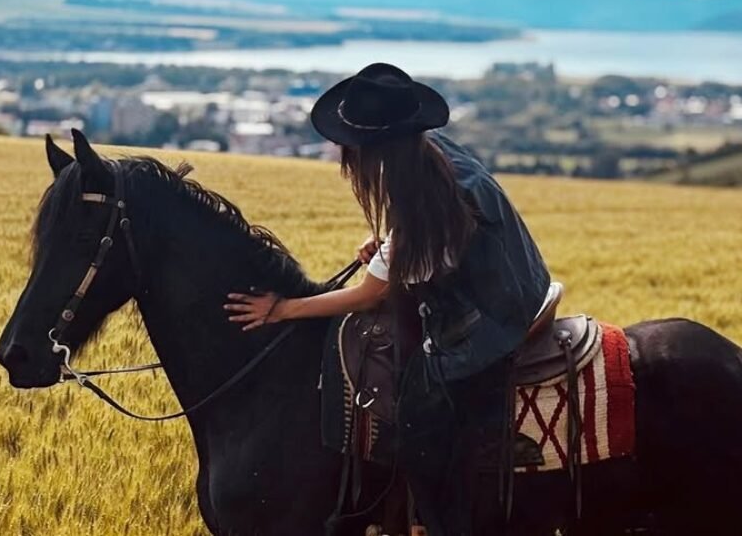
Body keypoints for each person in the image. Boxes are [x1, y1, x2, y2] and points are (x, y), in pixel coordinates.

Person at [224, 63, 550, 534]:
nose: (344, 154)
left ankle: (446, 525)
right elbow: (429, 248)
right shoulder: (431, 155)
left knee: (420, 420)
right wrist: (390, 245)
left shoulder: (425, 199)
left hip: (495, 314)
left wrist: (283, 308)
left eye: (349, 146)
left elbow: (371, 293)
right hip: (517, 280)